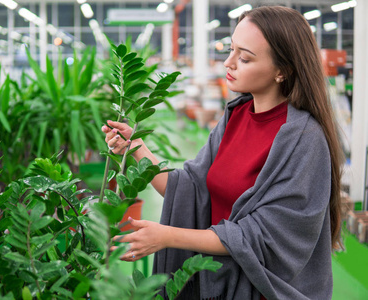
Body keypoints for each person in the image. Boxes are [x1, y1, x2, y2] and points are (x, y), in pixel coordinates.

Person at [102, 6, 343, 300]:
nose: (228, 63)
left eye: (244, 57)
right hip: (218, 281)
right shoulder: (236, 115)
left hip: (263, 290)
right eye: (231, 50)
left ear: (283, 70)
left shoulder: (304, 140)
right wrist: (136, 146)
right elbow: (189, 188)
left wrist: (167, 236)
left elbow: (264, 239)